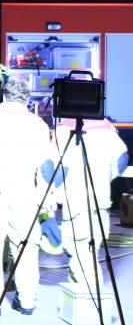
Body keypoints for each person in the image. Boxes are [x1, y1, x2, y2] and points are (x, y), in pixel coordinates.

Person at [0, 79, 55, 316]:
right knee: (26, 246)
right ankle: (27, 302)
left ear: (4, 96)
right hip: (25, 194)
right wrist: (46, 200)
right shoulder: (38, 124)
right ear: (27, 99)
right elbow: (46, 167)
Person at [52, 117, 129, 286]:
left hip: (75, 202)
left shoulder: (64, 129)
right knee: (90, 251)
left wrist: (52, 195)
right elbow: (122, 157)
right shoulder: (105, 127)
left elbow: (58, 169)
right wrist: (107, 177)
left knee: (79, 252)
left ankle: (89, 292)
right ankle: (82, 289)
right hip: (101, 201)